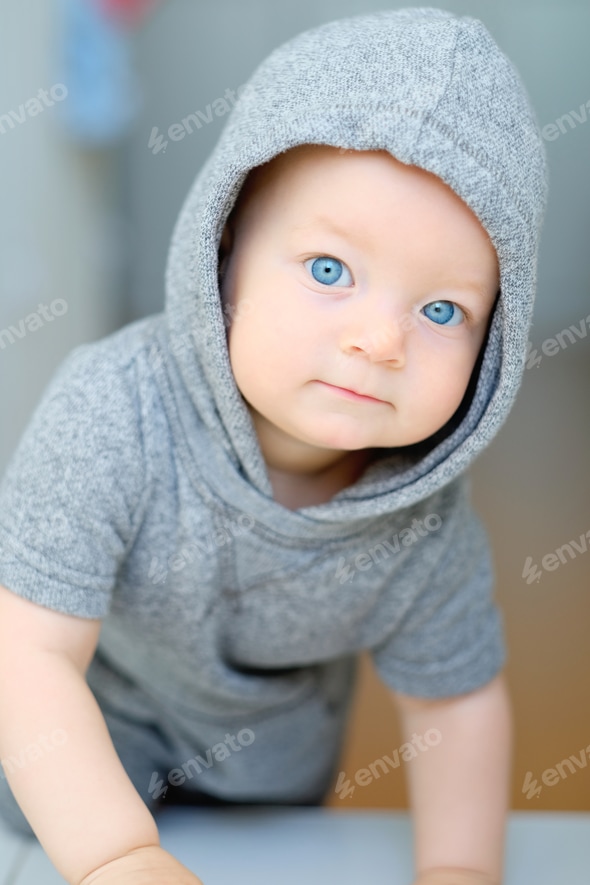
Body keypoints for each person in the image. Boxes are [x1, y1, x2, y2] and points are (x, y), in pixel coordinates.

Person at [0, 7, 548, 885]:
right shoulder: (111, 411)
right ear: (222, 258)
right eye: (330, 270)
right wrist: (117, 855)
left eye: (441, 310)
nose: (381, 341)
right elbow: (26, 653)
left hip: (271, 795)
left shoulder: (425, 519)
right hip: (60, 770)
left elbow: (456, 699)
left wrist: (460, 868)